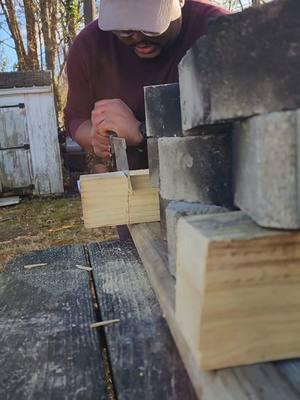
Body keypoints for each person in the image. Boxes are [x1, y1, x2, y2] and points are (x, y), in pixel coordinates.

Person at [64, 0, 227, 173]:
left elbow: (234, 127)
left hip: (206, 178)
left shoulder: (218, 33)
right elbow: (76, 119)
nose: (138, 38)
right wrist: (97, 137)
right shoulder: (90, 46)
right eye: (124, 30)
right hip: (132, 188)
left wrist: (142, 131)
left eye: (150, 26)